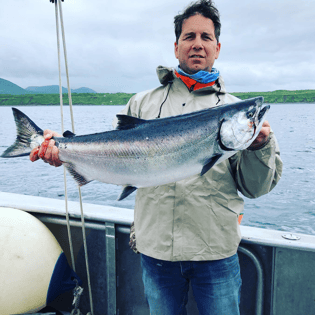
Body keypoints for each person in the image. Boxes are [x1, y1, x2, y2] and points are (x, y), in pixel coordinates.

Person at [30, 0, 283, 314]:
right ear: (176, 47)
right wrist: (64, 152)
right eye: (189, 37)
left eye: (206, 37)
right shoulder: (141, 103)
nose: (198, 44)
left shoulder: (234, 111)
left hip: (215, 253)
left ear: (217, 47)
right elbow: (112, 158)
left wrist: (259, 147)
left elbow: (255, 187)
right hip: (157, 251)